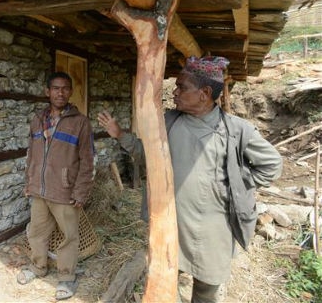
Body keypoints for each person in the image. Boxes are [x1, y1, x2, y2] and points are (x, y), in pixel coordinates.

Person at [97, 56, 283, 303]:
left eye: (181, 87)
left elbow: (272, 165)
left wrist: (233, 183)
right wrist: (120, 134)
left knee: (207, 289)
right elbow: (148, 154)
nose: (174, 92)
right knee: (166, 278)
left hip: (214, 228)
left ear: (204, 93)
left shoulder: (235, 130)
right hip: (172, 225)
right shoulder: (170, 121)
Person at [17, 71, 95, 301]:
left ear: (71, 92)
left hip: (65, 191)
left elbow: (88, 160)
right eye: (55, 88)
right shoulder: (38, 120)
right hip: (39, 191)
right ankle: (38, 267)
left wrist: (81, 191)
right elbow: (32, 154)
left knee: (69, 237)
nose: (60, 93)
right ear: (47, 92)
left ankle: (66, 278)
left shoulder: (80, 122)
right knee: (37, 233)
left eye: (65, 88)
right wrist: (29, 182)